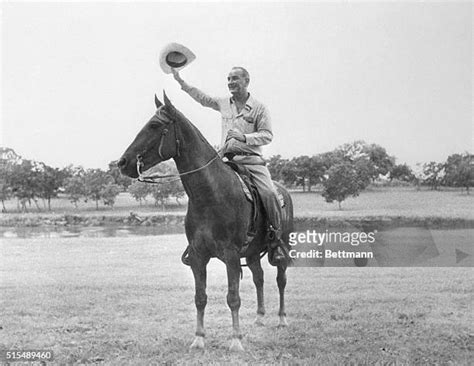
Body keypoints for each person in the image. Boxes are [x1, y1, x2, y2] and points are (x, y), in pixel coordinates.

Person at [171, 66, 285, 266]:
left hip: (251, 161)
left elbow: (267, 135)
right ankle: (196, 242)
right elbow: (203, 99)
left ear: (246, 81)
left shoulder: (259, 108)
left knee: (269, 193)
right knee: (204, 190)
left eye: (235, 79)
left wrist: (244, 137)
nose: (231, 82)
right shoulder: (223, 103)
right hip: (225, 160)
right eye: (229, 79)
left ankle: (276, 239)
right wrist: (181, 82)